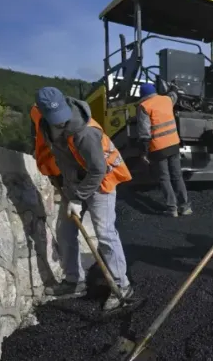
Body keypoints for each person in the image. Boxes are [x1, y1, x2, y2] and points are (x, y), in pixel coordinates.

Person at [32, 86, 135, 311]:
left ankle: (122, 285)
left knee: (104, 233)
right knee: (65, 230)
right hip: (74, 183)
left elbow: (98, 170)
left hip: (101, 181)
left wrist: (77, 199)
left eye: (60, 117)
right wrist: (66, 186)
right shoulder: (45, 125)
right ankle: (74, 281)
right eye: (53, 119)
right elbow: (62, 157)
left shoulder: (85, 131)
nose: (59, 122)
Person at [136, 83, 192, 217]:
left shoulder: (143, 106)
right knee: (177, 176)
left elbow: (144, 132)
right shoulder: (166, 100)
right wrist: (173, 87)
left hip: (158, 148)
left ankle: (172, 208)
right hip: (173, 144)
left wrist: (144, 152)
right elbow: (174, 94)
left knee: (164, 178)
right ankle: (185, 207)